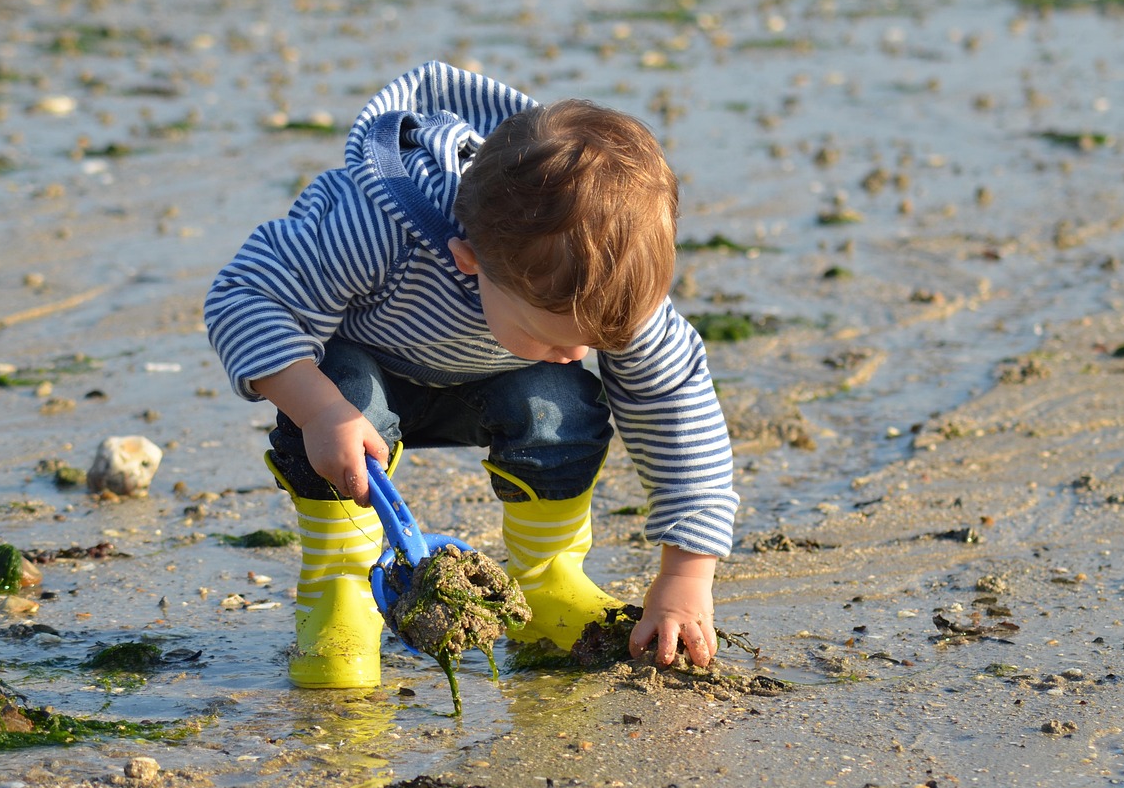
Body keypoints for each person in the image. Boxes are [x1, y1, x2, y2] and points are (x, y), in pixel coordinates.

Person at [204, 61, 738, 689]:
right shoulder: (375, 225)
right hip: (360, 397)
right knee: (344, 386)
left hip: (493, 384)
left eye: (591, 344)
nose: (575, 354)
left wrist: (685, 575)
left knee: (560, 398)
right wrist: (317, 410)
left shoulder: (609, 287)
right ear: (467, 261)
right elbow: (244, 296)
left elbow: (677, 411)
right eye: (553, 336)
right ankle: (340, 591)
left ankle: (545, 583)